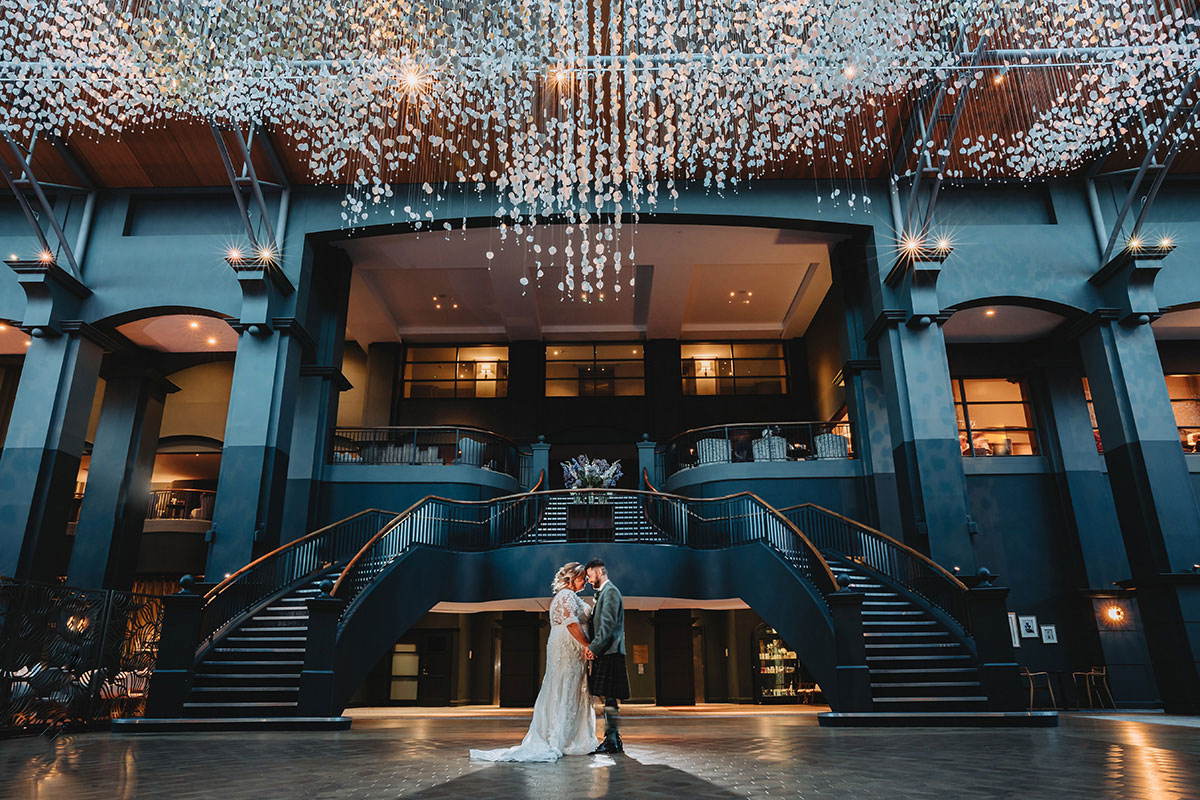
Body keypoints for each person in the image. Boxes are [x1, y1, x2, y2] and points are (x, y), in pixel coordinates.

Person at [469, 562, 596, 762]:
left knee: (563, 686)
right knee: (567, 686)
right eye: (582, 578)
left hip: (563, 646)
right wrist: (588, 645)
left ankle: (565, 735)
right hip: (568, 648)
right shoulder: (567, 596)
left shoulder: (562, 597)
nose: (586, 581)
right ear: (572, 578)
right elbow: (571, 623)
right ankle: (562, 738)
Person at [584, 557, 629, 754]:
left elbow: (608, 627)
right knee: (609, 700)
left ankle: (611, 740)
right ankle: (613, 738)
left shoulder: (610, 592)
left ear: (599, 572)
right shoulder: (604, 593)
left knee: (610, 699)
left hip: (610, 652)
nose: (587, 580)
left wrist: (593, 648)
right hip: (609, 652)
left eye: (589, 575)